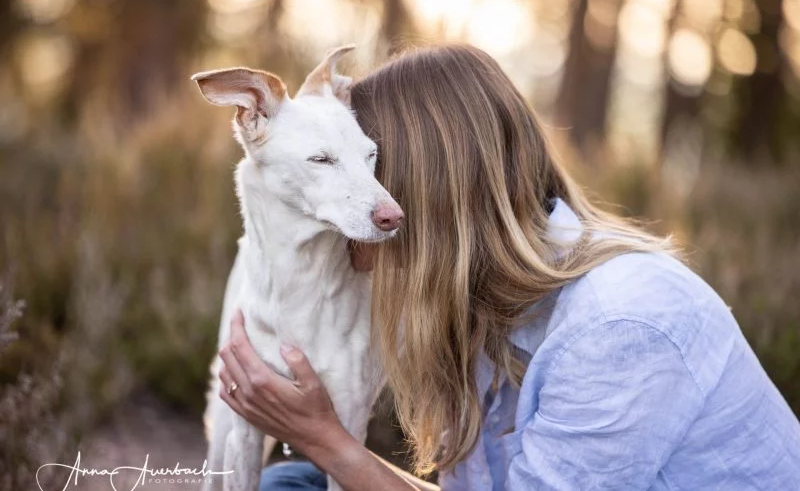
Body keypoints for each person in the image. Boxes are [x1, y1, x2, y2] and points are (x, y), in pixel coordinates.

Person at [216, 45, 800, 490]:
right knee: (292, 482)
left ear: (431, 194)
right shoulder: (479, 297)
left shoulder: (622, 327)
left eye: (374, 174)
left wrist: (326, 440)